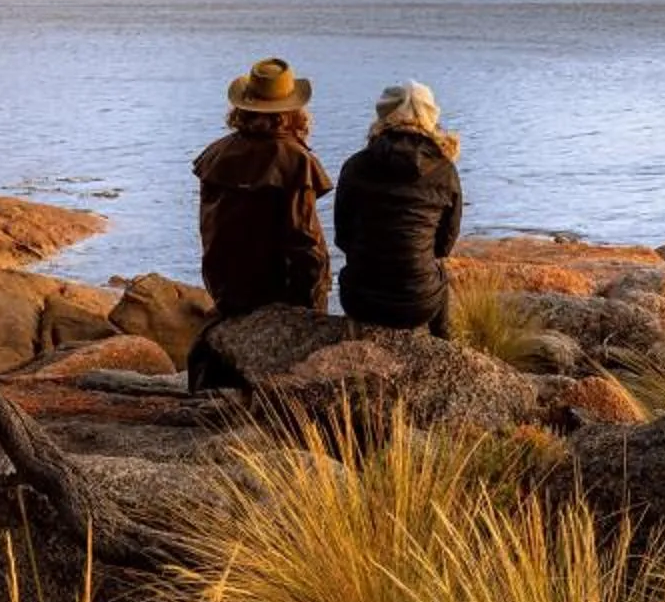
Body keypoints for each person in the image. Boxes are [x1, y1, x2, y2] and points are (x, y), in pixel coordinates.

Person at [190, 59, 333, 384]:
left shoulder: (217, 153)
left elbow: (211, 229)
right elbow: (305, 244)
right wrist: (314, 307)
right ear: (293, 112)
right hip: (276, 294)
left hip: (228, 289)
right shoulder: (295, 161)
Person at [333, 81, 463, 336]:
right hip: (420, 306)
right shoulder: (445, 170)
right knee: (438, 272)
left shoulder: (355, 165)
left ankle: (354, 338)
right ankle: (442, 341)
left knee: (354, 270)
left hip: (361, 302)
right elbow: (444, 246)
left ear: (383, 116)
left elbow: (342, 238)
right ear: (430, 118)